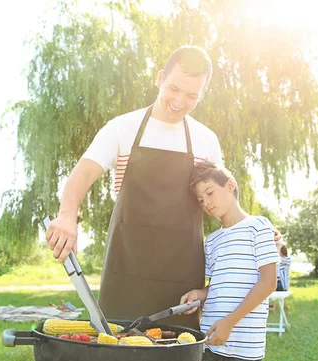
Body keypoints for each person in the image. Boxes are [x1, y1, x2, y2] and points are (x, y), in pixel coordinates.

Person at [46, 45, 222, 330]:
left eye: (192, 96)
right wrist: (67, 215)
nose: (179, 101)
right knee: (118, 358)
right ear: (160, 78)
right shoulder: (122, 128)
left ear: (202, 94)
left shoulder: (206, 141)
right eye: (174, 88)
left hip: (181, 276)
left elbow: (222, 205)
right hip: (126, 268)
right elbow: (82, 174)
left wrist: (251, 233)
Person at [180, 162, 279, 361]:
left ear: (230, 186)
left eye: (210, 192)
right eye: (201, 199)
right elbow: (217, 285)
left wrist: (230, 322)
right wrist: (198, 294)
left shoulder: (259, 227)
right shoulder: (212, 241)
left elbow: (268, 282)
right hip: (212, 342)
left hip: (244, 346)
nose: (206, 203)